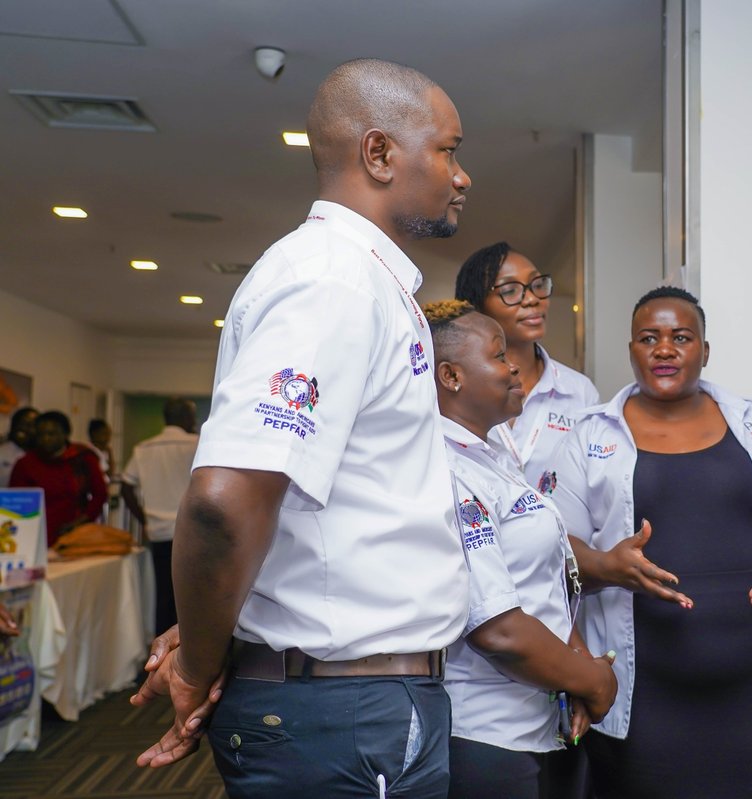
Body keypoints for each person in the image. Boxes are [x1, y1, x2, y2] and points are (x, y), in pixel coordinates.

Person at [131, 59, 473, 799]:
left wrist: (209, 631)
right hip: (343, 712)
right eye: (448, 150)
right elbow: (224, 501)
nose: (461, 174)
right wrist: (196, 663)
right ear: (378, 153)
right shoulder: (334, 280)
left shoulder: (360, 280)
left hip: (355, 703)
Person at [549, 287, 752, 799]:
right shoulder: (589, 436)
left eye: (681, 337)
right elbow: (556, 548)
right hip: (640, 697)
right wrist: (608, 565)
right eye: (648, 338)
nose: (664, 349)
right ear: (631, 350)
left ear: (705, 349)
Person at [422, 299, 616, 799]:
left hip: (541, 726)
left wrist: (576, 669)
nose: (514, 366)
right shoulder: (445, 468)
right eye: (498, 355)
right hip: (484, 737)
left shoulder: (493, 454)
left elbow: (542, 581)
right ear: (450, 376)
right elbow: (497, 630)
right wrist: (594, 681)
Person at [455, 242, 599, 486]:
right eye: (510, 290)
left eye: (537, 285)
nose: (532, 299)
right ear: (476, 305)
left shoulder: (579, 391)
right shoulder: (457, 389)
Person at [120, 398, 200, 635]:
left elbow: (126, 487)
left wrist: (144, 519)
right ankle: (190, 649)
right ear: (186, 418)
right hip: (194, 533)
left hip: (159, 533)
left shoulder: (144, 448)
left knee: (164, 596)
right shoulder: (198, 444)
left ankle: (161, 649)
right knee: (193, 598)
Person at [10, 411, 107, 547]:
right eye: (40, 435)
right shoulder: (25, 464)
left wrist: (81, 521)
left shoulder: (82, 458)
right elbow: (15, 502)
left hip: (76, 533)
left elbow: (100, 494)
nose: (45, 439)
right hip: (35, 535)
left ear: (65, 434)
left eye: (51, 434)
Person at [0, 407, 37, 487]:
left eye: (30, 425)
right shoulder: (2, 452)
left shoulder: (43, 456)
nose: (24, 428)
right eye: (22, 423)